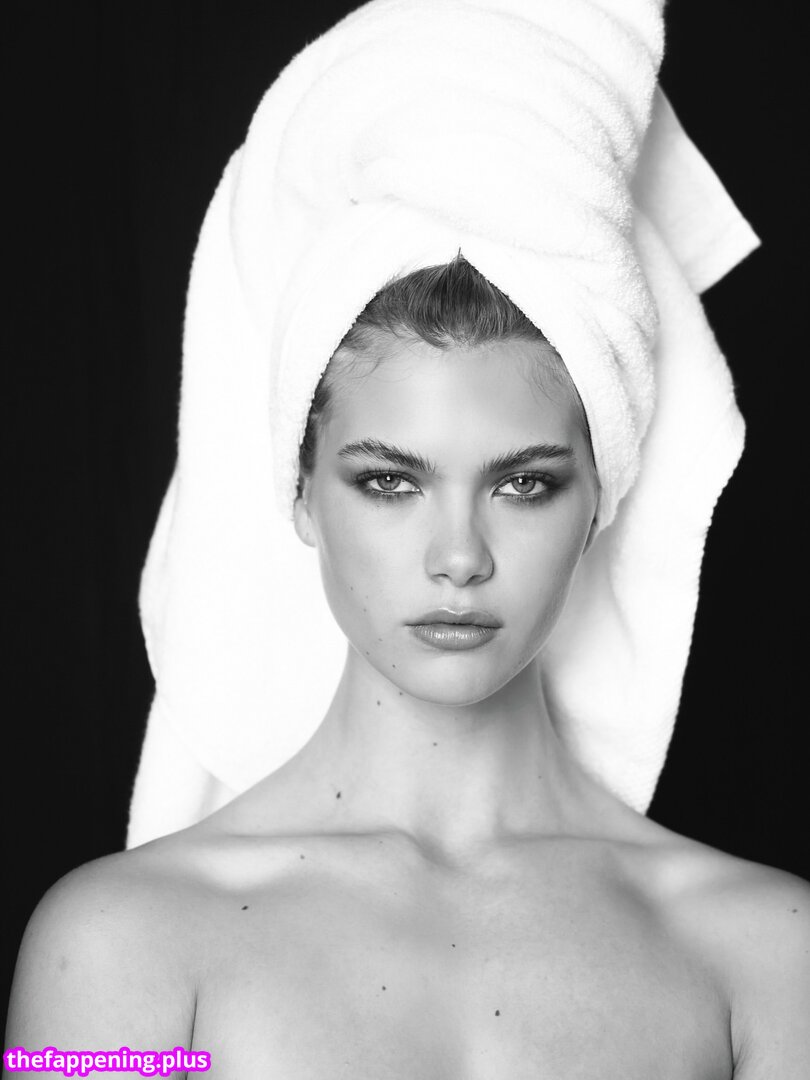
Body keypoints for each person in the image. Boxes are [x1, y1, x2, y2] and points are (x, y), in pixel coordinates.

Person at [5, 1, 809, 1077]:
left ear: (600, 499)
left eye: (524, 484)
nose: (459, 557)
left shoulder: (766, 956)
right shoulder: (119, 948)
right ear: (301, 493)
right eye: (389, 481)